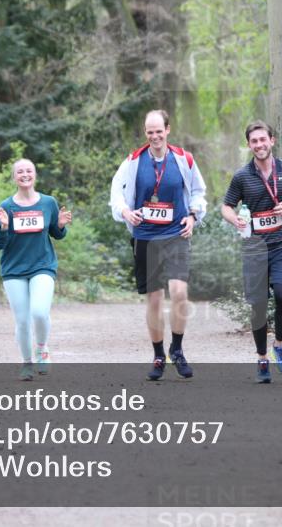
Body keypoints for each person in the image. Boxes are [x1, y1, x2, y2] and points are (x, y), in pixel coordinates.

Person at [110, 109, 207, 380]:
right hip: (145, 237)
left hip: (176, 234)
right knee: (154, 299)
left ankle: (177, 349)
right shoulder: (133, 161)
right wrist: (125, 212)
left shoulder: (183, 159)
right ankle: (157, 355)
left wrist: (193, 215)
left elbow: (199, 192)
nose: (154, 136)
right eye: (149, 132)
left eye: (158, 131)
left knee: (179, 293)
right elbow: (116, 192)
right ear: (145, 133)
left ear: (168, 130)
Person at [221, 121, 282, 383]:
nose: (259, 145)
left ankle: (279, 345)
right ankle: (262, 359)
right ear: (249, 145)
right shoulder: (242, 176)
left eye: (263, 139)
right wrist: (234, 219)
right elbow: (226, 206)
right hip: (255, 248)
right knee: (258, 306)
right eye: (254, 141)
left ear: (272, 140)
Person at [0, 158, 72, 380]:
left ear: (35, 175)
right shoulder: (6, 206)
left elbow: (56, 233)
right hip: (14, 269)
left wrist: (61, 225)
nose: (25, 174)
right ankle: (26, 363)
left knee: (39, 311)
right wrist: (4, 228)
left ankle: (42, 348)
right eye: (20, 171)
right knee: (23, 320)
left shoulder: (48, 203)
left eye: (29, 170)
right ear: (14, 177)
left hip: (42, 266)